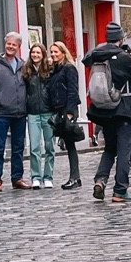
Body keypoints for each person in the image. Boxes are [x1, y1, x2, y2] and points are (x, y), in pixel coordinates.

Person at [84, 23, 131, 202]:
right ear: (120, 39)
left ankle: (100, 180)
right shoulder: (123, 57)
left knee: (110, 148)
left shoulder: (97, 55)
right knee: (124, 150)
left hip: (104, 110)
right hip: (123, 109)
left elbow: (85, 61)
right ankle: (120, 190)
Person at [0, 32, 30, 191]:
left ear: (18, 47)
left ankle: (17, 178)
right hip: (1, 113)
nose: (10, 47)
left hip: (20, 113)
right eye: (9, 43)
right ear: (5, 44)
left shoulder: (23, 65)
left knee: (18, 148)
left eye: (14, 44)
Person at [47, 42, 83, 188]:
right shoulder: (56, 70)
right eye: (51, 52)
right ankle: (75, 177)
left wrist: (69, 113)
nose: (53, 54)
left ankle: (75, 177)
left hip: (67, 110)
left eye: (56, 52)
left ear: (63, 52)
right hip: (59, 110)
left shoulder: (69, 68)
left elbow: (73, 91)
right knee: (68, 144)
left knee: (70, 144)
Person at [24, 41, 55, 187]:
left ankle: (48, 177)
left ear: (43, 54)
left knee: (50, 147)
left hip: (48, 112)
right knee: (34, 147)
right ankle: (36, 176)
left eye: (38, 52)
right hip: (33, 113)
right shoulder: (26, 71)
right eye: (33, 52)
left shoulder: (49, 69)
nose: (35, 55)